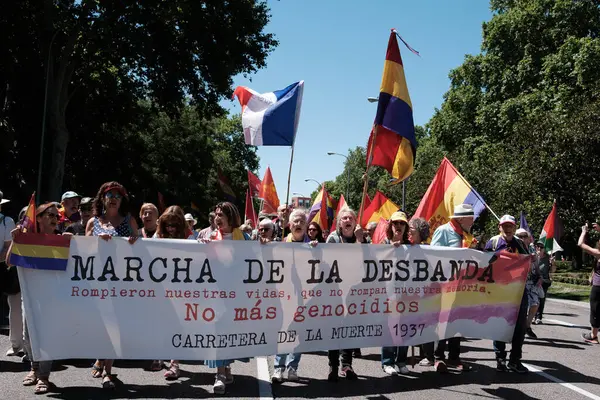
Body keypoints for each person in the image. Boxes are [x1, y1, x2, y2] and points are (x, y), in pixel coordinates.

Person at [7, 202, 71, 394]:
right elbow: (10, 261)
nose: (54, 219)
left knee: (47, 338)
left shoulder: (62, 239)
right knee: (28, 338)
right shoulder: (27, 240)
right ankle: (34, 369)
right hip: (30, 297)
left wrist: (73, 242)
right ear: (39, 218)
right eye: (49, 215)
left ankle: (43, 376)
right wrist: (15, 240)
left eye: (56, 216)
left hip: (53, 298)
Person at [86, 181, 138, 389]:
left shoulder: (129, 220)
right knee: (101, 325)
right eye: (110, 194)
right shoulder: (93, 222)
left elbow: (142, 250)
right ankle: (101, 356)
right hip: (98, 282)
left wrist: (135, 240)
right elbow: (83, 251)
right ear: (103, 198)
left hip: (122, 283)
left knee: (114, 326)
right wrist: (96, 240)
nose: (114, 198)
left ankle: (108, 371)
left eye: (118, 195)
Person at [199, 202, 250, 394]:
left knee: (230, 330)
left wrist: (264, 244)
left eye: (222, 215)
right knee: (218, 330)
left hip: (236, 294)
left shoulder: (243, 238)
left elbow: (255, 258)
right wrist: (202, 248)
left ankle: (227, 367)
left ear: (231, 216)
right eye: (216, 214)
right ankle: (219, 373)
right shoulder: (208, 236)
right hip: (215, 292)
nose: (217, 218)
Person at [429, 204, 475, 372]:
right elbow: (433, 254)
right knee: (443, 322)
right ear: (461, 218)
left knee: (457, 322)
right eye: (471, 218)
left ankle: (454, 357)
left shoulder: (466, 234)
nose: (473, 221)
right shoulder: (443, 231)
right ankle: (438, 358)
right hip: (444, 285)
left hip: (461, 286)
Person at [153, 206, 194, 380]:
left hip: (182, 288)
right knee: (160, 323)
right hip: (161, 287)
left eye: (174, 225)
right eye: (167, 225)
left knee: (177, 325)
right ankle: (158, 355)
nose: (170, 228)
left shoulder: (190, 236)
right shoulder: (158, 235)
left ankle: (174, 364)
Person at [485, 215, 530, 373]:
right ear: (499, 227)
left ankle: (515, 360)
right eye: (505, 226)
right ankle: (500, 358)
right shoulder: (493, 242)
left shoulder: (520, 243)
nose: (508, 229)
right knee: (499, 325)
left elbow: (528, 263)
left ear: (514, 227)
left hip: (518, 291)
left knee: (519, 327)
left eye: (510, 226)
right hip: (499, 291)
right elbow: (484, 263)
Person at [271, 209, 311, 384]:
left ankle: (292, 367)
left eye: (302, 221)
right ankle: (278, 368)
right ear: (289, 224)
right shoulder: (281, 243)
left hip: (306, 297)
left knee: (298, 333)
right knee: (284, 332)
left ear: (306, 225)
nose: (298, 224)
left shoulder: (314, 245)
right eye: (295, 221)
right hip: (284, 296)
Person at [326, 208, 365, 381]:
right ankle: (333, 366)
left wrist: (359, 240)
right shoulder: (333, 238)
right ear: (339, 222)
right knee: (334, 329)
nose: (348, 220)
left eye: (351, 218)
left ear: (356, 222)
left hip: (354, 292)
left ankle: (347, 365)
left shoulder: (363, 239)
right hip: (334, 291)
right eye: (344, 218)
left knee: (349, 329)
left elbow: (365, 259)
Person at [380, 211, 410, 375]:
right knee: (391, 328)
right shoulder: (383, 244)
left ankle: (402, 360)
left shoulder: (412, 247)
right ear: (391, 226)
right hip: (388, 293)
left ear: (406, 227)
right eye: (395, 223)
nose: (398, 226)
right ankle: (387, 361)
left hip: (407, 293)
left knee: (404, 328)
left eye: (402, 223)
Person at [0, 191, 20, 359]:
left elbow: (7, 247)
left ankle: (17, 344)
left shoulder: (7, 221)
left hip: (2, 268)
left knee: (12, 306)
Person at [515, 228, 542, 339]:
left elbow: (536, 264)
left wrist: (540, 276)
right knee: (518, 307)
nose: (523, 238)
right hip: (517, 281)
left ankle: (527, 326)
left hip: (530, 281)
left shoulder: (531, 249)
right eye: (520, 236)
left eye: (525, 236)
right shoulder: (514, 247)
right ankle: (515, 329)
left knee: (535, 304)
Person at [577, 223, 600, 343]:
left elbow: (580, 244)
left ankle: (593, 336)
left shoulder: (599, 253)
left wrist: (584, 231)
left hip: (598, 287)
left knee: (595, 310)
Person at [534, 241, 556, 324]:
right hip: (533, 281)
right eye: (538, 246)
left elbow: (553, 270)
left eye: (541, 247)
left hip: (544, 282)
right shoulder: (533, 256)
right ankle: (532, 316)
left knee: (541, 299)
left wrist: (552, 263)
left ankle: (538, 317)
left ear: (544, 248)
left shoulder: (548, 258)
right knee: (533, 299)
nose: (539, 248)